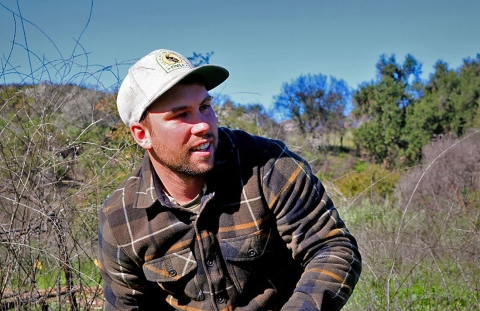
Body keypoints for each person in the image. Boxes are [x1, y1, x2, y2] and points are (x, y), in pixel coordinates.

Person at [97, 49, 361, 311]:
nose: (202, 125)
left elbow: (331, 248)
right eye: (181, 115)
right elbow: (128, 306)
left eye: (204, 107)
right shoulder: (120, 220)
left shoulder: (268, 166)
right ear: (142, 134)